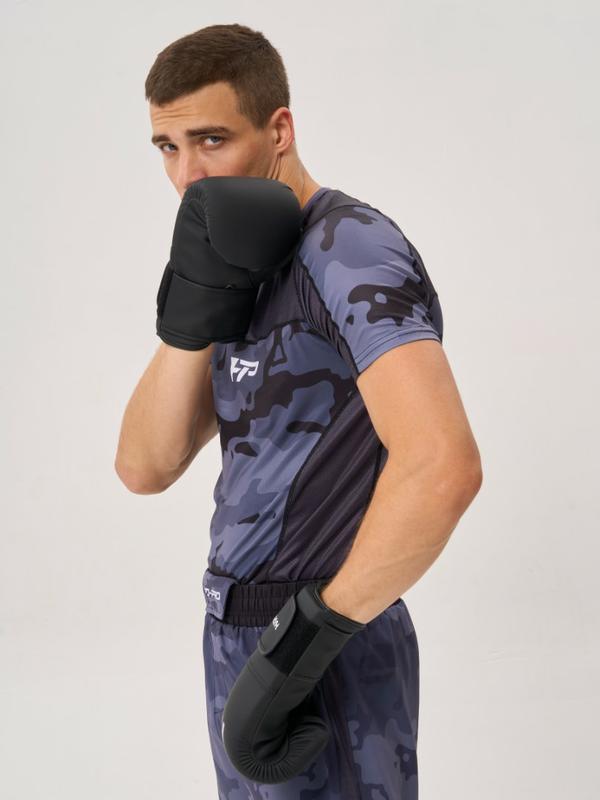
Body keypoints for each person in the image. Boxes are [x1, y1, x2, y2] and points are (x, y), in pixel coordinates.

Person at [115, 22, 483, 799]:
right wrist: (193, 307)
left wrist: (298, 651)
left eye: (211, 140)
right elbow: (145, 465)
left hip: (322, 641)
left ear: (279, 129)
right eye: (167, 147)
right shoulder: (236, 258)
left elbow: (443, 466)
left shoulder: (348, 249)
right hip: (237, 636)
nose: (186, 174)